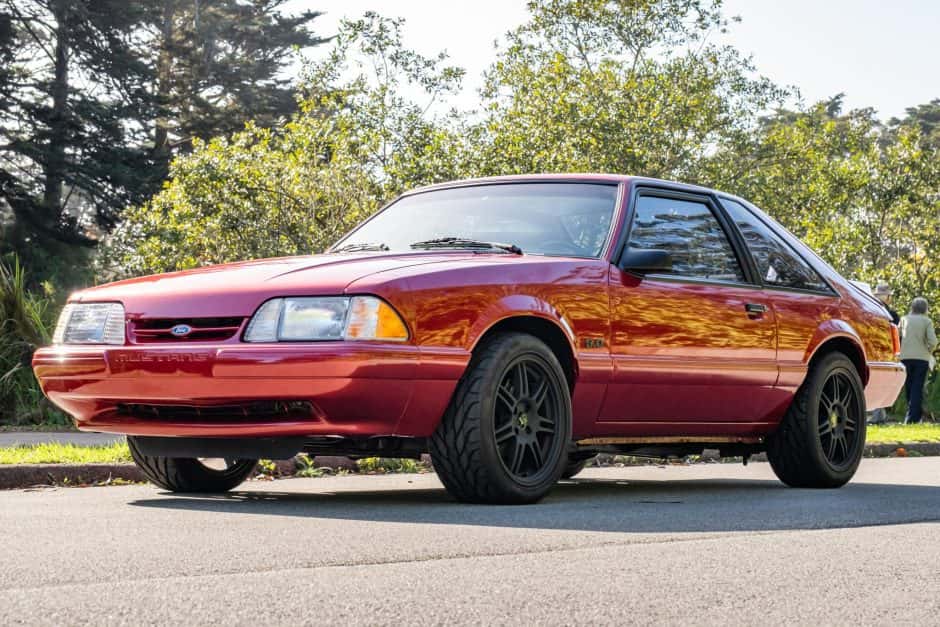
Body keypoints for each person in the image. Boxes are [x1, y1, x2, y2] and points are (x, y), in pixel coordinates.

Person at [899, 297, 938, 424]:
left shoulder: (904, 319)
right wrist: (928, 351)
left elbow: (898, 336)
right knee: (917, 387)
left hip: (905, 357)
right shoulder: (927, 321)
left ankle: (912, 415)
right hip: (921, 358)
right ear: (925, 309)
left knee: (909, 387)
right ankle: (913, 417)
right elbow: (933, 341)